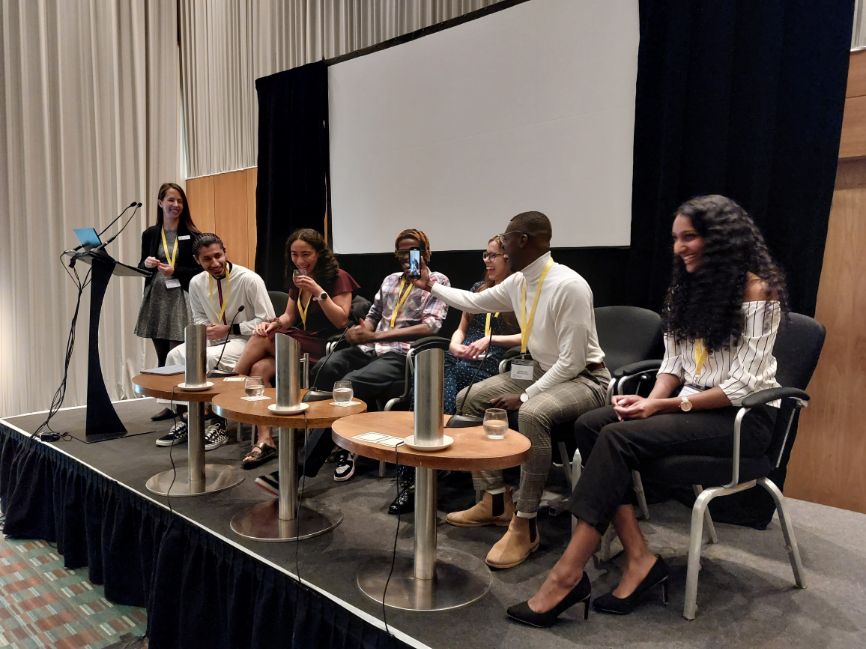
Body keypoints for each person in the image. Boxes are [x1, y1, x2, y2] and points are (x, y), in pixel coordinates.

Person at [506, 194, 787, 627]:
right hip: (687, 409)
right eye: (676, 239)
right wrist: (649, 400)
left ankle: (566, 575)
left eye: (690, 237)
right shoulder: (684, 293)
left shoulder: (757, 293)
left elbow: (743, 385)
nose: (680, 248)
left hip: (740, 419)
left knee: (616, 437)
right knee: (591, 424)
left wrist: (663, 405)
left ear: (724, 238)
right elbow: (673, 366)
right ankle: (638, 556)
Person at [414, 211, 609, 569]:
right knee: (468, 399)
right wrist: (431, 286)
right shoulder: (520, 282)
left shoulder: (569, 285)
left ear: (524, 240)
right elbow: (473, 303)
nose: (499, 246)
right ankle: (494, 500)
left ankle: (525, 521)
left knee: (532, 413)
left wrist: (525, 396)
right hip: (540, 370)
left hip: (586, 379)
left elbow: (572, 362)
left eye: (506, 238)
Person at [253, 228, 449, 496]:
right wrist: (361, 330)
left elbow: (430, 326)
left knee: (349, 385)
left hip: (403, 355)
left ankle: (298, 470)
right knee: (326, 366)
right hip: (371, 347)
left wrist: (376, 333)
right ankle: (326, 440)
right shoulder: (391, 280)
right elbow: (373, 314)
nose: (406, 256)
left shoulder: (438, 281)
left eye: (412, 250)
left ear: (425, 252)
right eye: (401, 251)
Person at [387, 235, 522, 515]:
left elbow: (530, 337)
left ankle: (426, 459)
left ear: (508, 258)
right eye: (484, 255)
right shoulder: (478, 289)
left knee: (435, 385)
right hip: (463, 357)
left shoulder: (521, 292)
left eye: (493, 255)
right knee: (430, 377)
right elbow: (461, 327)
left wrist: (492, 340)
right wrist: (454, 343)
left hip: (495, 363)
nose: (487, 261)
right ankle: (426, 464)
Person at [233, 228, 359, 469]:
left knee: (262, 341)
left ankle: (233, 379)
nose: (300, 261)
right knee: (260, 367)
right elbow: (289, 317)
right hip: (300, 339)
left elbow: (341, 321)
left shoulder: (338, 276)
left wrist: (316, 291)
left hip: (326, 346)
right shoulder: (297, 278)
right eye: (294, 255)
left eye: (306, 254)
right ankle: (265, 439)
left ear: (319, 253)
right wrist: (273, 323)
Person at [156, 233, 275, 449]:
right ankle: (187, 418)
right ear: (197, 261)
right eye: (207, 259)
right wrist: (208, 329)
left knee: (207, 358)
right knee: (175, 355)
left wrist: (230, 329)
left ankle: (217, 423)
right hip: (215, 338)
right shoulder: (196, 282)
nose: (215, 263)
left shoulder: (248, 279)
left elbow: (267, 320)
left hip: (246, 340)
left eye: (217, 255)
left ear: (225, 252)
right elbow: (198, 316)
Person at [135, 183, 202, 421]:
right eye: (171, 200)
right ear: (160, 203)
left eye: (179, 201)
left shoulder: (194, 235)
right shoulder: (151, 234)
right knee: (162, 354)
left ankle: (184, 406)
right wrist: (147, 264)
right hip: (157, 297)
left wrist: (176, 270)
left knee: (178, 353)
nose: (175, 205)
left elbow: (199, 270)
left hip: (180, 297)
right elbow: (141, 266)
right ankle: (169, 403)